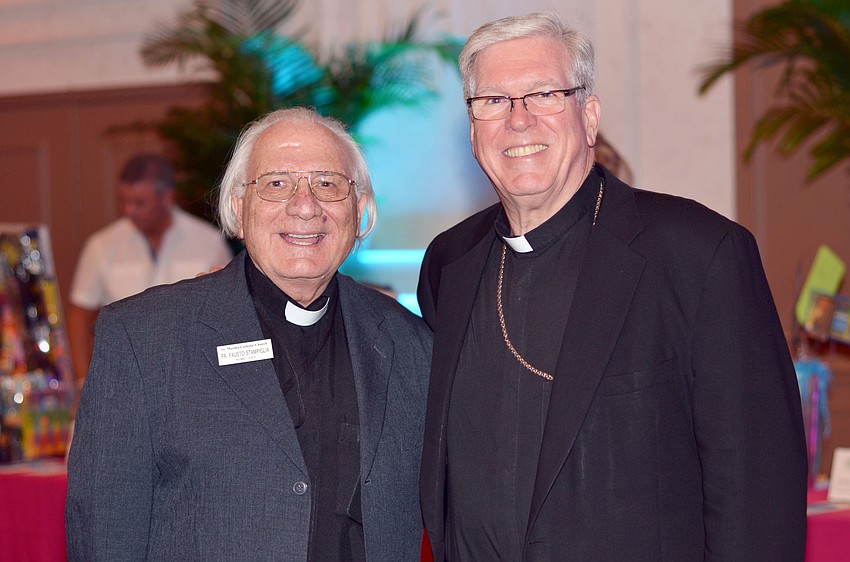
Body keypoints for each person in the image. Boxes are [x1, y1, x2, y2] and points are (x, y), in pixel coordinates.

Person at [417, 12, 807, 561]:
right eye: (493, 102)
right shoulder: (447, 265)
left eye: (544, 94)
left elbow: (759, 491)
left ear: (589, 116)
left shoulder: (698, 254)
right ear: (473, 130)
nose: (518, 120)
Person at [65, 108, 432, 561]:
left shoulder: (411, 346)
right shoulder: (144, 340)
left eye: (329, 184)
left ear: (359, 211)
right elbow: (104, 538)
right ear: (238, 209)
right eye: (276, 184)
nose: (305, 205)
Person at [66, 153, 232, 383]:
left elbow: (227, 314)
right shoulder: (101, 245)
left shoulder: (208, 242)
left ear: (167, 197)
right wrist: (83, 379)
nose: (128, 210)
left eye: (139, 203)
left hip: (191, 378)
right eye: (124, 201)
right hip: (122, 379)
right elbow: (79, 315)